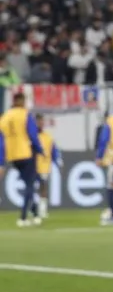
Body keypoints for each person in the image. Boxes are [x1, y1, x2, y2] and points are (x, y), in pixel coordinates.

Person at [0, 93, 44, 227]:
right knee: (30, 185)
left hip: (12, 155)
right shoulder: (25, 114)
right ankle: (23, 217)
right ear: (22, 102)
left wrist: (2, 160)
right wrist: (40, 149)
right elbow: (32, 134)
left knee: (28, 184)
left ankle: (35, 213)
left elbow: (1, 138)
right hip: (26, 153)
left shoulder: (5, 117)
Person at [34, 113, 61, 219]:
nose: (41, 124)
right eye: (38, 121)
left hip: (44, 166)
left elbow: (53, 151)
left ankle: (42, 210)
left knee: (43, 187)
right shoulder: (31, 136)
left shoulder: (48, 137)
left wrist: (57, 161)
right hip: (32, 166)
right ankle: (34, 208)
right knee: (32, 189)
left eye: (42, 121)